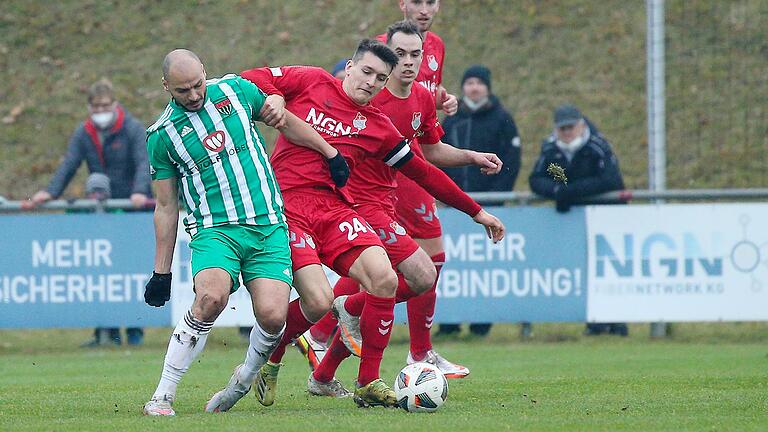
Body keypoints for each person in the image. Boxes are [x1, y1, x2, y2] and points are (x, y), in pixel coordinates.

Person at [237, 38, 504, 408]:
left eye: (380, 78)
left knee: (387, 279)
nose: (371, 82)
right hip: (286, 207)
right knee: (317, 302)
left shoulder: (377, 126)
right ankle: (272, 355)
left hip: (335, 210)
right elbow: (248, 78)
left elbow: (422, 171)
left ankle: (368, 381)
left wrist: (477, 211)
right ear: (349, 67)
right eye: (366, 72)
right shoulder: (311, 81)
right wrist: (273, 96)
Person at [141, 49, 345, 416]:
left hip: (267, 226)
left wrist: (329, 153)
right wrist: (162, 272)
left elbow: (285, 121)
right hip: (215, 230)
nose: (194, 95)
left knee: (272, 316)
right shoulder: (161, 135)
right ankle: (162, 394)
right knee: (211, 297)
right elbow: (167, 206)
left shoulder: (237, 90)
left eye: (197, 85)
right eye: (183, 90)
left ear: (205, 71)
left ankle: (243, 379)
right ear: (166, 87)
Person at [297, 21, 503, 382]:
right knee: (418, 274)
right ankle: (365, 360)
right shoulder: (368, 96)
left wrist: (472, 157)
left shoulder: (422, 99)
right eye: (400, 54)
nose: (408, 62)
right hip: (357, 204)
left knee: (388, 288)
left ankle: (325, 372)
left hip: (388, 201)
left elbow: (428, 153)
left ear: (426, 57)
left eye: (415, 55)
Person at [27, 78, 151, 347]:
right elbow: (69, 163)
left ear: (115, 104)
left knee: (130, 270)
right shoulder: (84, 133)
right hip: (102, 213)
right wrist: (51, 192)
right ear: (89, 107)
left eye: (105, 105)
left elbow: (144, 162)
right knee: (104, 271)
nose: (100, 111)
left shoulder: (131, 129)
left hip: (131, 212)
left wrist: (140, 191)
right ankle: (105, 332)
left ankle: (134, 330)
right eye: (96, 107)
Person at [529, 104, 628, 336]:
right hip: (574, 221)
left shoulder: (597, 147)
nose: (566, 132)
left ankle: (617, 322)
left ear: (581, 125)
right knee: (582, 270)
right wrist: (556, 190)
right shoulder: (551, 150)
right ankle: (595, 324)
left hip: (605, 217)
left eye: (570, 127)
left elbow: (610, 180)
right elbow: (536, 179)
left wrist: (570, 191)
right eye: (562, 128)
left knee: (608, 271)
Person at [438, 64, 522, 338]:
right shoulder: (452, 119)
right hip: (454, 205)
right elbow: (436, 155)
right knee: (450, 266)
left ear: (487, 87)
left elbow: (511, 162)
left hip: (487, 205)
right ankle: (448, 324)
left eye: (479, 83)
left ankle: (481, 324)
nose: (474, 87)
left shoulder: (501, 119)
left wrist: (496, 196)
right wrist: (445, 192)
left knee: (485, 269)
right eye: (469, 82)